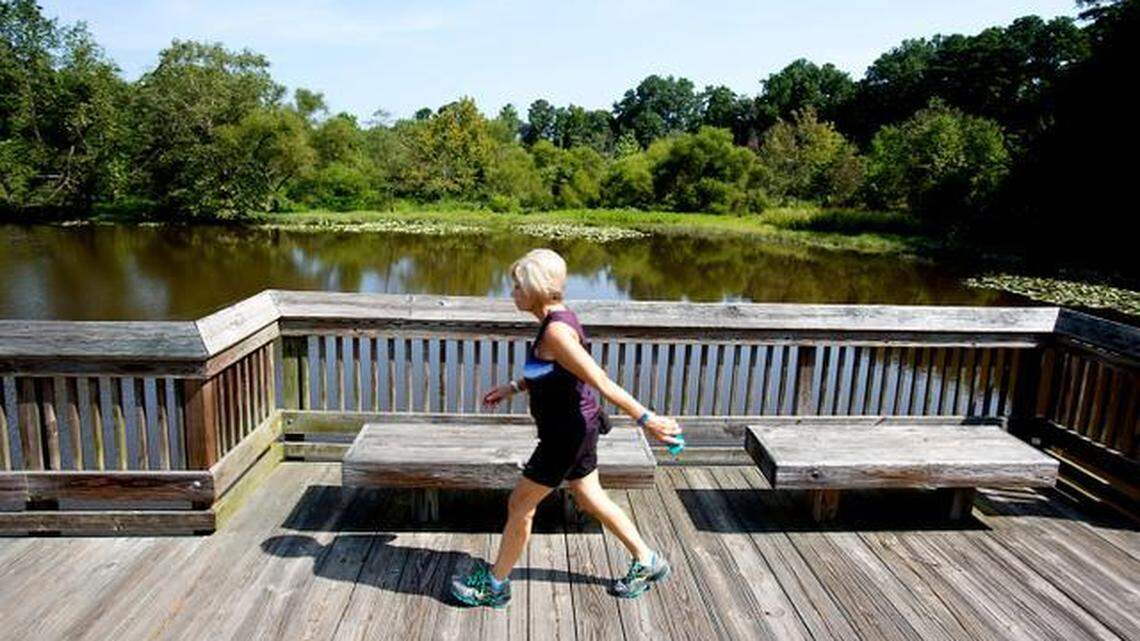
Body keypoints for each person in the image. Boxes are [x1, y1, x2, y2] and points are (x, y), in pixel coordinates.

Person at [450, 248, 684, 609]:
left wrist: (647, 419)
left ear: (536, 288)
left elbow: (600, 380)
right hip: (577, 428)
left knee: (520, 505)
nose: (513, 292)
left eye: (518, 286)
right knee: (590, 497)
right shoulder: (557, 320)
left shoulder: (557, 332)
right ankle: (647, 559)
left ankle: (495, 585)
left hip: (565, 436)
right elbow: (553, 372)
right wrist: (512, 387)